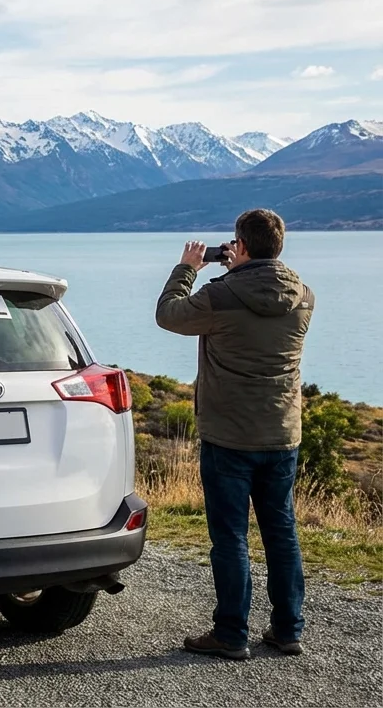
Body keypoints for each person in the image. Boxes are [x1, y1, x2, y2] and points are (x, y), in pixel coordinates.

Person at [155, 208, 314, 661]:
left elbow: (168, 315)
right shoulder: (304, 295)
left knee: (230, 537)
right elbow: (264, 301)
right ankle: (288, 630)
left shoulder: (219, 295)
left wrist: (187, 268)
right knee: (281, 532)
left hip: (228, 436)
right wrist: (245, 267)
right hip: (282, 434)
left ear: (239, 246)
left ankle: (230, 634)